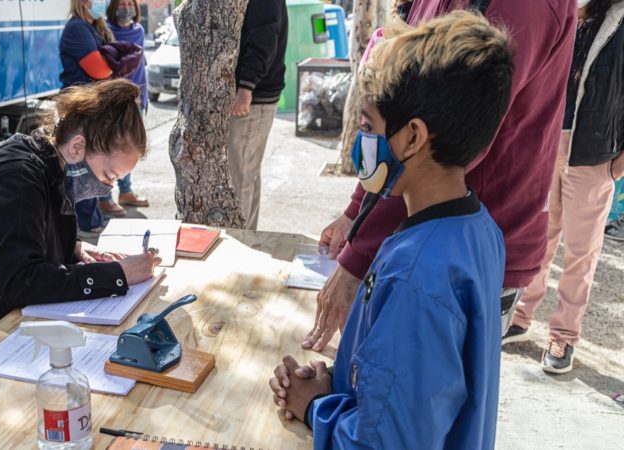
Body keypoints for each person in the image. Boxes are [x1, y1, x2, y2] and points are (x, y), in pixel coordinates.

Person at [269, 12, 512, 448]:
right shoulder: (476, 231)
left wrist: (313, 407)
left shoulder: (417, 276)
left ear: (413, 138)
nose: (359, 141)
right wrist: (337, 387)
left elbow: (384, 442)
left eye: (367, 127)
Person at [303, 0, 577, 353]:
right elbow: (398, 117)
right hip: (427, 236)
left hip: (453, 254)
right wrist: (358, 211)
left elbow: (430, 145)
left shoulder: (521, 7)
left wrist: (359, 256)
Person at [0, 80, 161, 374]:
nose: (106, 187)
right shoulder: (16, 181)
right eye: (108, 174)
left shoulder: (50, 165)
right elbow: (22, 280)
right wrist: (118, 274)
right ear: (77, 147)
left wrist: (71, 247)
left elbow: (22, 236)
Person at [504, 0, 624, 374]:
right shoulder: (580, 9)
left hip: (595, 154)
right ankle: (521, 317)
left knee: (581, 251)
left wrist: (619, 163)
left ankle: (564, 334)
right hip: (552, 142)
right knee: (542, 235)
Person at [60, 0, 147, 233]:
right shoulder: (77, 28)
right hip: (81, 109)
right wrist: (115, 64)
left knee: (94, 167)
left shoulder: (96, 27)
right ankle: (87, 222)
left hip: (93, 108)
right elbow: (101, 70)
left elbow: (111, 65)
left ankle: (92, 219)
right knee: (83, 169)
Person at [227, 0, 288, 230]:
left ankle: (241, 242)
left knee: (241, 176)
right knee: (247, 174)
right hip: (255, 95)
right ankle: (246, 237)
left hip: (254, 98)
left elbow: (264, 37)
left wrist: (246, 87)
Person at [99, 0, 151, 218]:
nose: (127, 6)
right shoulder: (106, 30)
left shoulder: (138, 30)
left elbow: (141, 66)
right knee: (111, 149)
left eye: (130, 2)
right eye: (122, 2)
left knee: (130, 148)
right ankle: (104, 197)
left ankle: (126, 191)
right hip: (117, 100)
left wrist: (144, 97)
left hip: (138, 98)